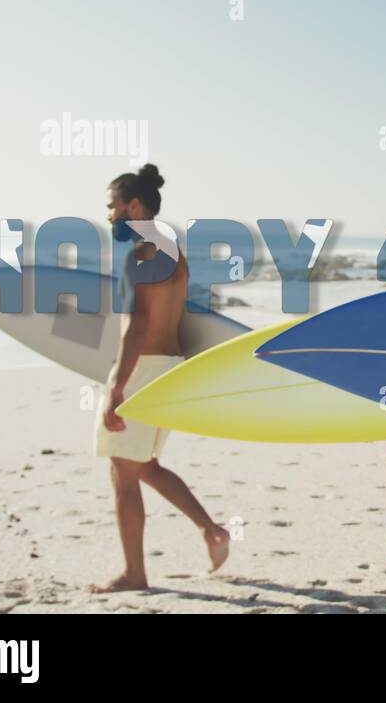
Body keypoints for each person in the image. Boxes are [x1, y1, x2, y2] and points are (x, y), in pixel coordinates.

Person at [91, 164, 230, 593]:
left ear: (134, 206)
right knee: (146, 466)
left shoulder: (140, 257)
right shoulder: (172, 251)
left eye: (113, 207)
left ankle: (134, 574)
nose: (110, 216)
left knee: (123, 472)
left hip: (142, 370)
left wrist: (116, 387)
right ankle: (211, 530)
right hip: (169, 367)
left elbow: (135, 328)